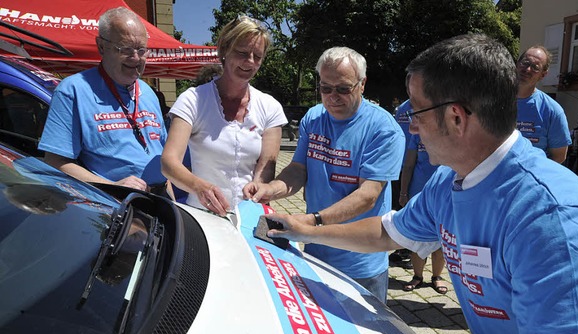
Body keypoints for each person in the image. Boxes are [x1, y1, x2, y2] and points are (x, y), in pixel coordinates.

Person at [264, 34, 578, 334]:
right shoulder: (450, 181)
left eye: (416, 113)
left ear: (456, 118)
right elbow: (387, 233)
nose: (410, 128)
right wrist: (305, 230)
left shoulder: (551, 213)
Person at [244, 47, 405, 303]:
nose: (332, 97)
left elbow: (368, 196)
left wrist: (312, 222)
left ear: (362, 84)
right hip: (316, 252)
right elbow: (299, 169)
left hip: (359, 261)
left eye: (343, 89)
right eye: (325, 88)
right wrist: (270, 188)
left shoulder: (383, 130)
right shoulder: (314, 117)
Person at [161, 15, 286, 215]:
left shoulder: (270, 107)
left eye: (258, 56)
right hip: (202, 215)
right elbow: (169, 162)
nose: (250, 62)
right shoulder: (193, 100)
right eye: (242, 53)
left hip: (249, 216)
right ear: (224, 50)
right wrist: (199, 187)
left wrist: (258, 187)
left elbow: (266, 168)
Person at [38, 7, 169, 195]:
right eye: (125, 49)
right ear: (101, 46)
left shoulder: (148, 92)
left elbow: (162, 157)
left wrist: (175, 205)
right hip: (116, 204)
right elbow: (55, 162)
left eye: (141, 50)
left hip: (161, 200)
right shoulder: (73, 90)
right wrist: (112, 187)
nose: (135, 58)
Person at [395, 99, 447, 293]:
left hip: (444, 195)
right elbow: (408, 165)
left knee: (442, 239)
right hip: (418, 194)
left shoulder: (450, 134)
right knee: (418, 237)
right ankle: (417, 276)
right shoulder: (418, 135)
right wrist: (403, 192)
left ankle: (437, 276)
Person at [516, 45, 572, 164]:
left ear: (543, 75)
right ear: (517, 63)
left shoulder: (552, 110)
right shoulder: (494, 99)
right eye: (525, 63)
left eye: (535, 67)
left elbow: (559, 156)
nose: (527, 69)